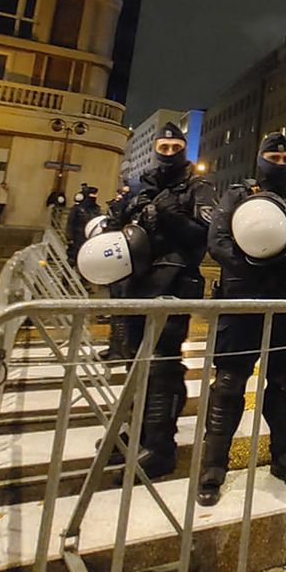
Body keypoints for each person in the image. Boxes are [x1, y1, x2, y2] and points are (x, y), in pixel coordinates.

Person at [198, 132, 286, 506]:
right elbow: (217, 240)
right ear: (261, 158)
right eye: (275, 157)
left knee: (285, 383)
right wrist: (252, 265)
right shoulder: (238, 196)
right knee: (229, 382)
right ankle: (213, 465)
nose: (281, 163)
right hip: (244, 302)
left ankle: (284, 456)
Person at [113, 122, 216, 479]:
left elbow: (204, 236)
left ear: (183, 149)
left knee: (162, 365)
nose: (168, 153)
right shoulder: (144, 183)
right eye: (164, 147)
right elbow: (119, 224)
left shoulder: (197, 187)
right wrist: (128, 208)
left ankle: (160, 445)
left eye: (175, 148)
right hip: (136, 281)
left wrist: (169, 215)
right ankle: (131, 430)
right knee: (133, 359)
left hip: (174, 282)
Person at [65, 184, 101, 267]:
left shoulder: (96, 209)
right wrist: (69, 237)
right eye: (91, 195)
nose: (94, 197)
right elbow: (70, 223)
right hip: (77, 237)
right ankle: (66, 278)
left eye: (95, 195)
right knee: (72, 259)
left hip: (89, 238)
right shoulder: (77, 209)